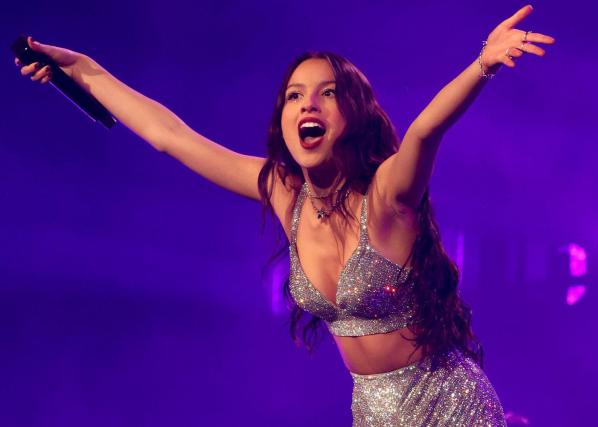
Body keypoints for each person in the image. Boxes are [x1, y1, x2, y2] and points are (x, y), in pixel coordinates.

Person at [16, 4, 554, 426]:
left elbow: (424, 132)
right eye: (295, 95)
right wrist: (86, 73)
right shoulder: (283, 192)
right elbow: (170, 137)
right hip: (373, 414)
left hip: (448, 408)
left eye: (327, 94)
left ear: (356, 114)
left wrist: (483, 64)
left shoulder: (388, 194)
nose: (308, 105)